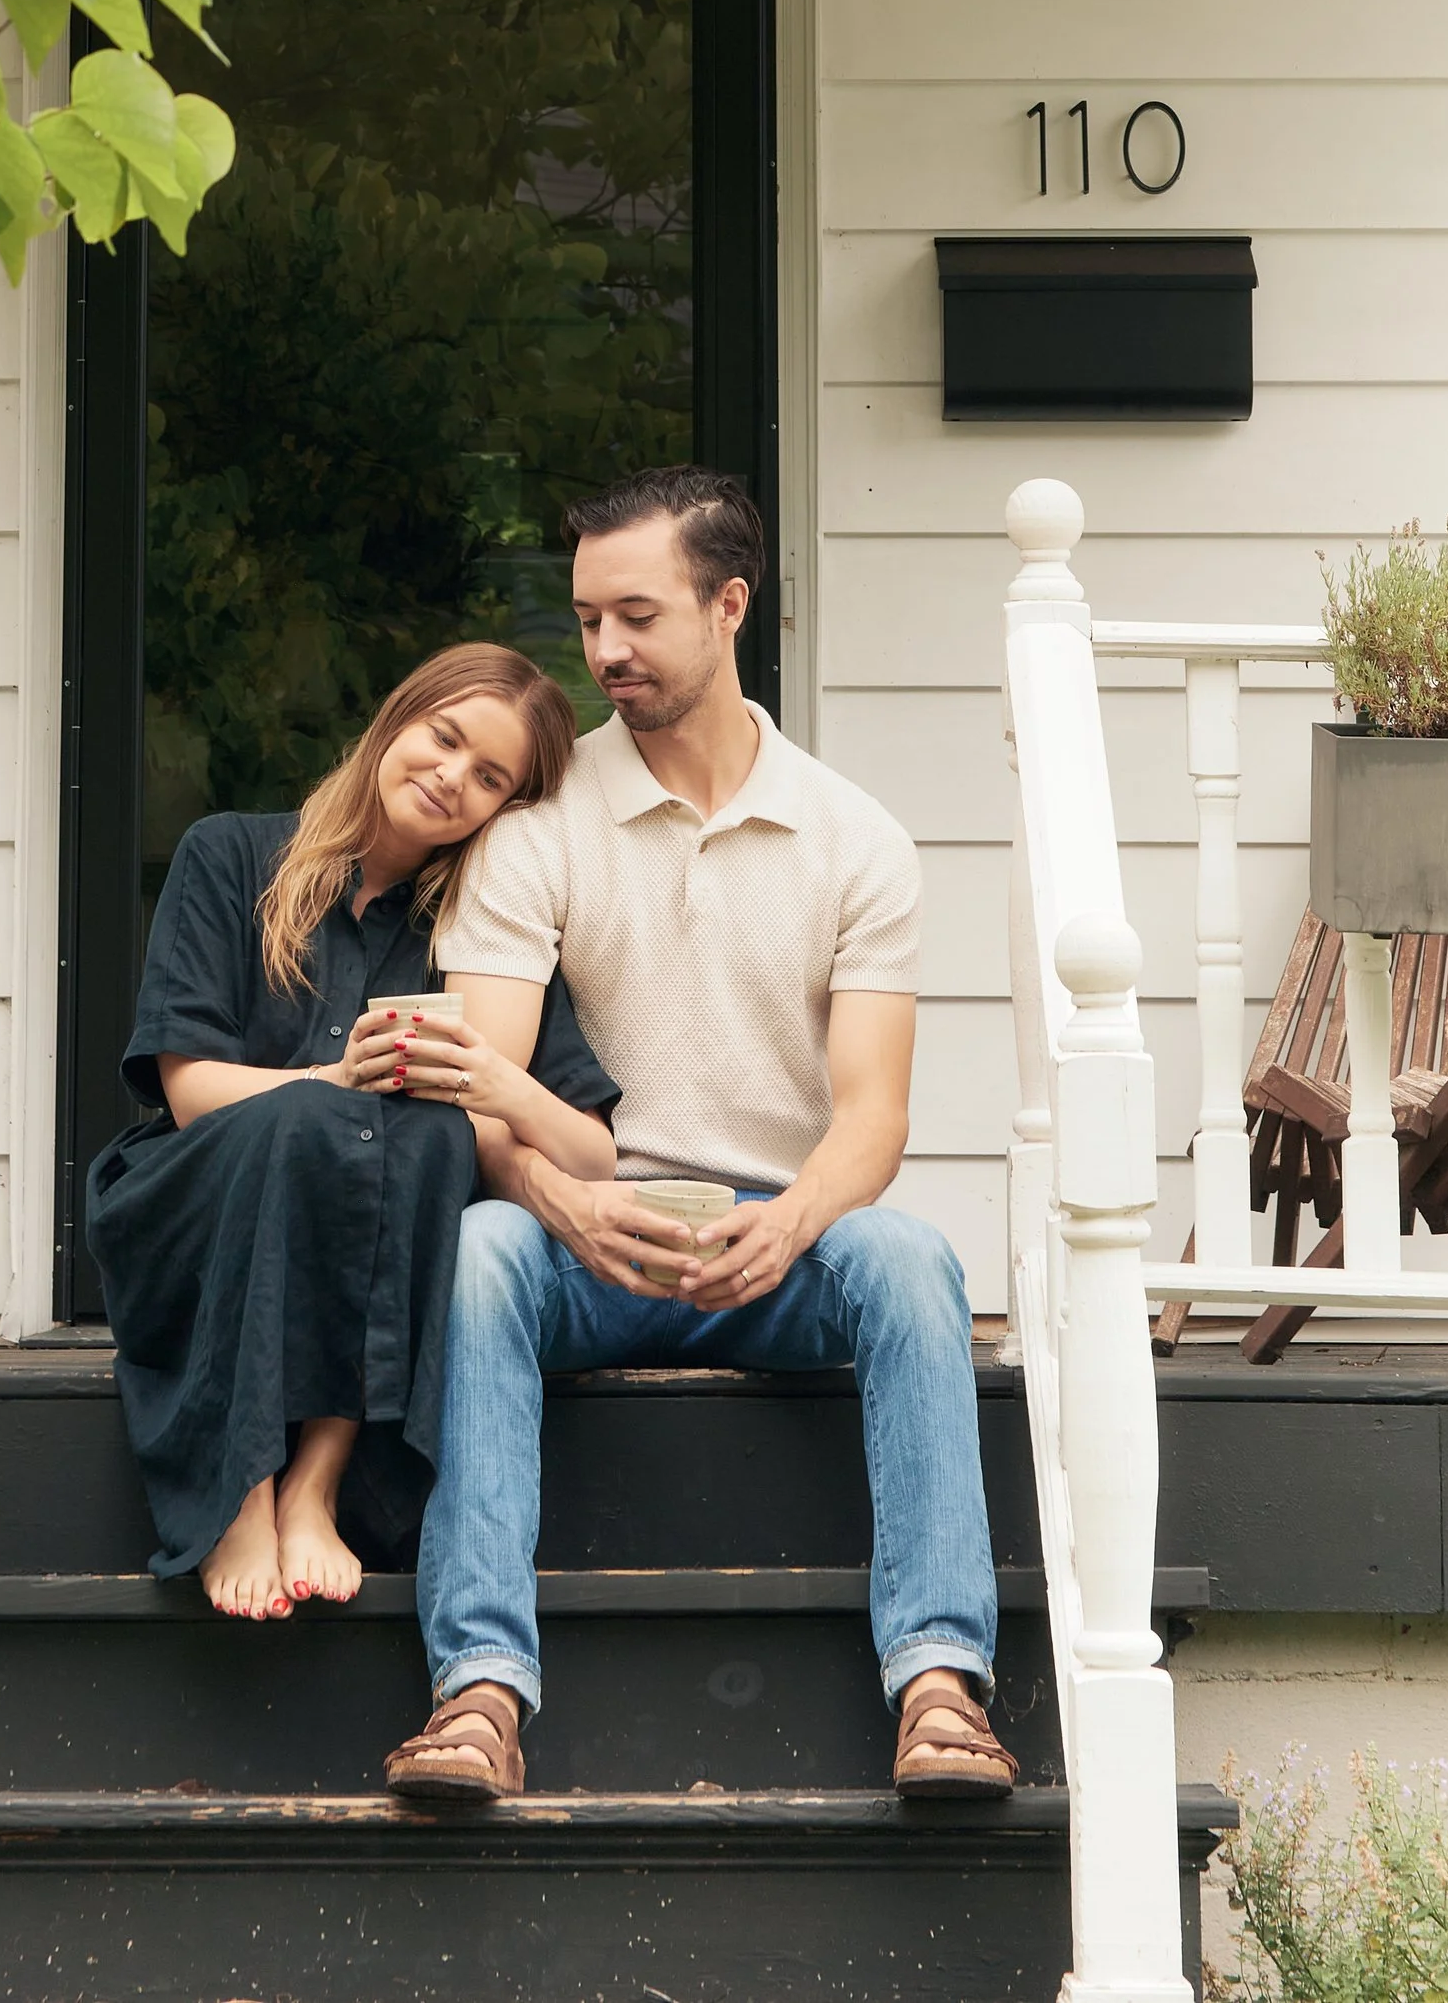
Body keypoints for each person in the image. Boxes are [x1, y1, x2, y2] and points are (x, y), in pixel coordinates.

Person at [382, 468, 1012, 1801]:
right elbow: (480, 1085)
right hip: (589, 1237)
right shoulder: (535, 825)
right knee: (485, 1245)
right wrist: (561, 1201)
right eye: (587, 617)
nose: (605, 650)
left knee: (909, 1258)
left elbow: (875, 1118)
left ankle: (941, 1684)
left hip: (776, 1243)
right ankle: (479, 1694)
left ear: (730, 603)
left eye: (638, 615)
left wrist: (790, 1219)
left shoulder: (857, 839)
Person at [85, 641, 622, 1620]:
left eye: (489, 776)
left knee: (428, 1135)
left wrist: (492, 1083)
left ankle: (314, 1484)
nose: (450, 776)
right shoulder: (231, 853)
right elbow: (190, 1086)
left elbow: (591, 1152)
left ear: (508, 808)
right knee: (307, 1117)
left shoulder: (484, 930)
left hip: (363, 1229)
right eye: (444, 738)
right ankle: (242, 1490)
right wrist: (331, 1078)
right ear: (397, 721)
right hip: (188, 1203)